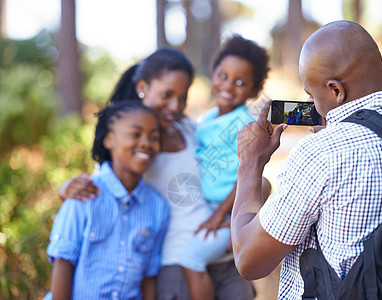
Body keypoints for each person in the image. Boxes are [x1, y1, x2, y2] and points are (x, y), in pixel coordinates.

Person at [230, 20, 382, 300]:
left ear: (336, 91)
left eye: (312, 96)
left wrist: (250, 164)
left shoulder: (322, 153)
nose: (313, 106)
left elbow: (248, 259)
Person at [57, 47, 257, 300]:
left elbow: (231, 175)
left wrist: (236, 215)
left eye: (182, 97)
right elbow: (103, 192)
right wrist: (64, 191)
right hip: (175, 269)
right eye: (166, 94)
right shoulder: (132, 148)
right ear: (143, 88)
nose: (174, 106)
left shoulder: (189, 129)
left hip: (224, 258)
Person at [46, 101, 170, 299]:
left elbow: (149, 277)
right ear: (109, 140)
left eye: (154, 137)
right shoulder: (83, 193)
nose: (146, 142)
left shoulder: (158, 207)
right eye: (135, 134)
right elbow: (63, 264)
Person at [179, 34, 270, 300]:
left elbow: (245, 177)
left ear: (254, 91)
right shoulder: (207, 118)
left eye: (241, 83)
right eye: (223, 76)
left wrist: (221, 216)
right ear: (213, 73)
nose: (229, 86)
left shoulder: (245, 124)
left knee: (191, 259)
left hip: (230, 214)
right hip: (206, 208)